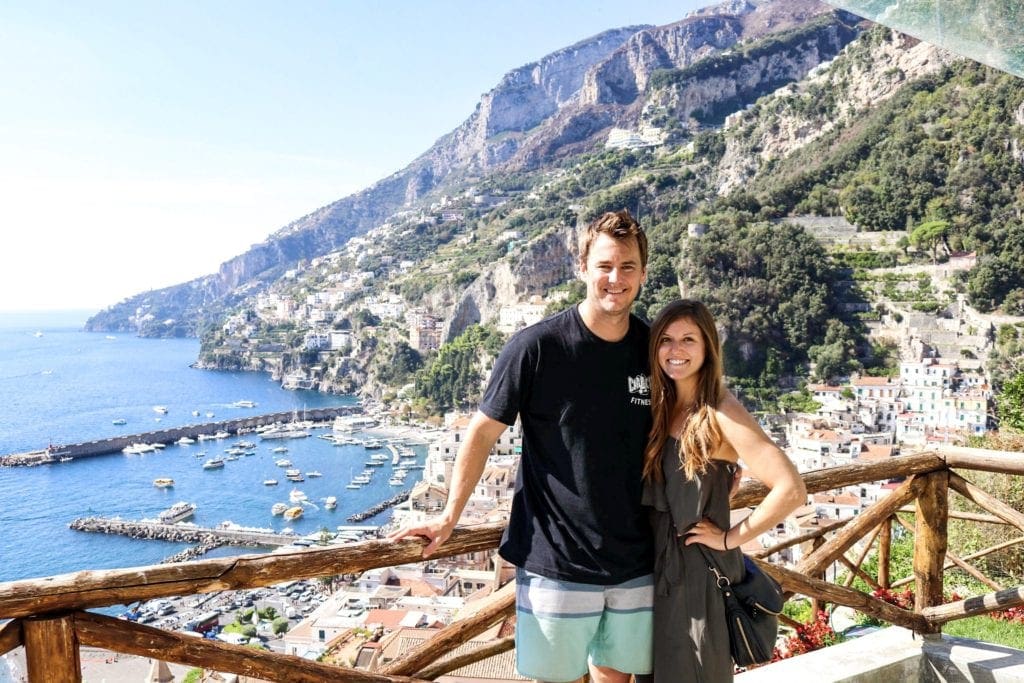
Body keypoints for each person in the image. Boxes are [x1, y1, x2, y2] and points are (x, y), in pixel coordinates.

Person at [390, 209, 654, 683]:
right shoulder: (537, 347)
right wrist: (450, 515)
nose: (616, 279)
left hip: (637, 560)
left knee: (619, 680)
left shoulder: (652, 348)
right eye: (605, 266)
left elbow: (690, 419)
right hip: (556, 561)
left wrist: (723, 463)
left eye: (628, 267)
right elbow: (482, 432)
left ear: (643, 272)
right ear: (582, 269)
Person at [641, 299, 806, 682]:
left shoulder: (719, 410)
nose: (675, 350)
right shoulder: (664, 405)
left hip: (696, 579)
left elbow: (791, 489)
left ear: (707, 347)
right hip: (655, 570)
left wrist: (732, 538)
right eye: (666, 339)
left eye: (688, 339)